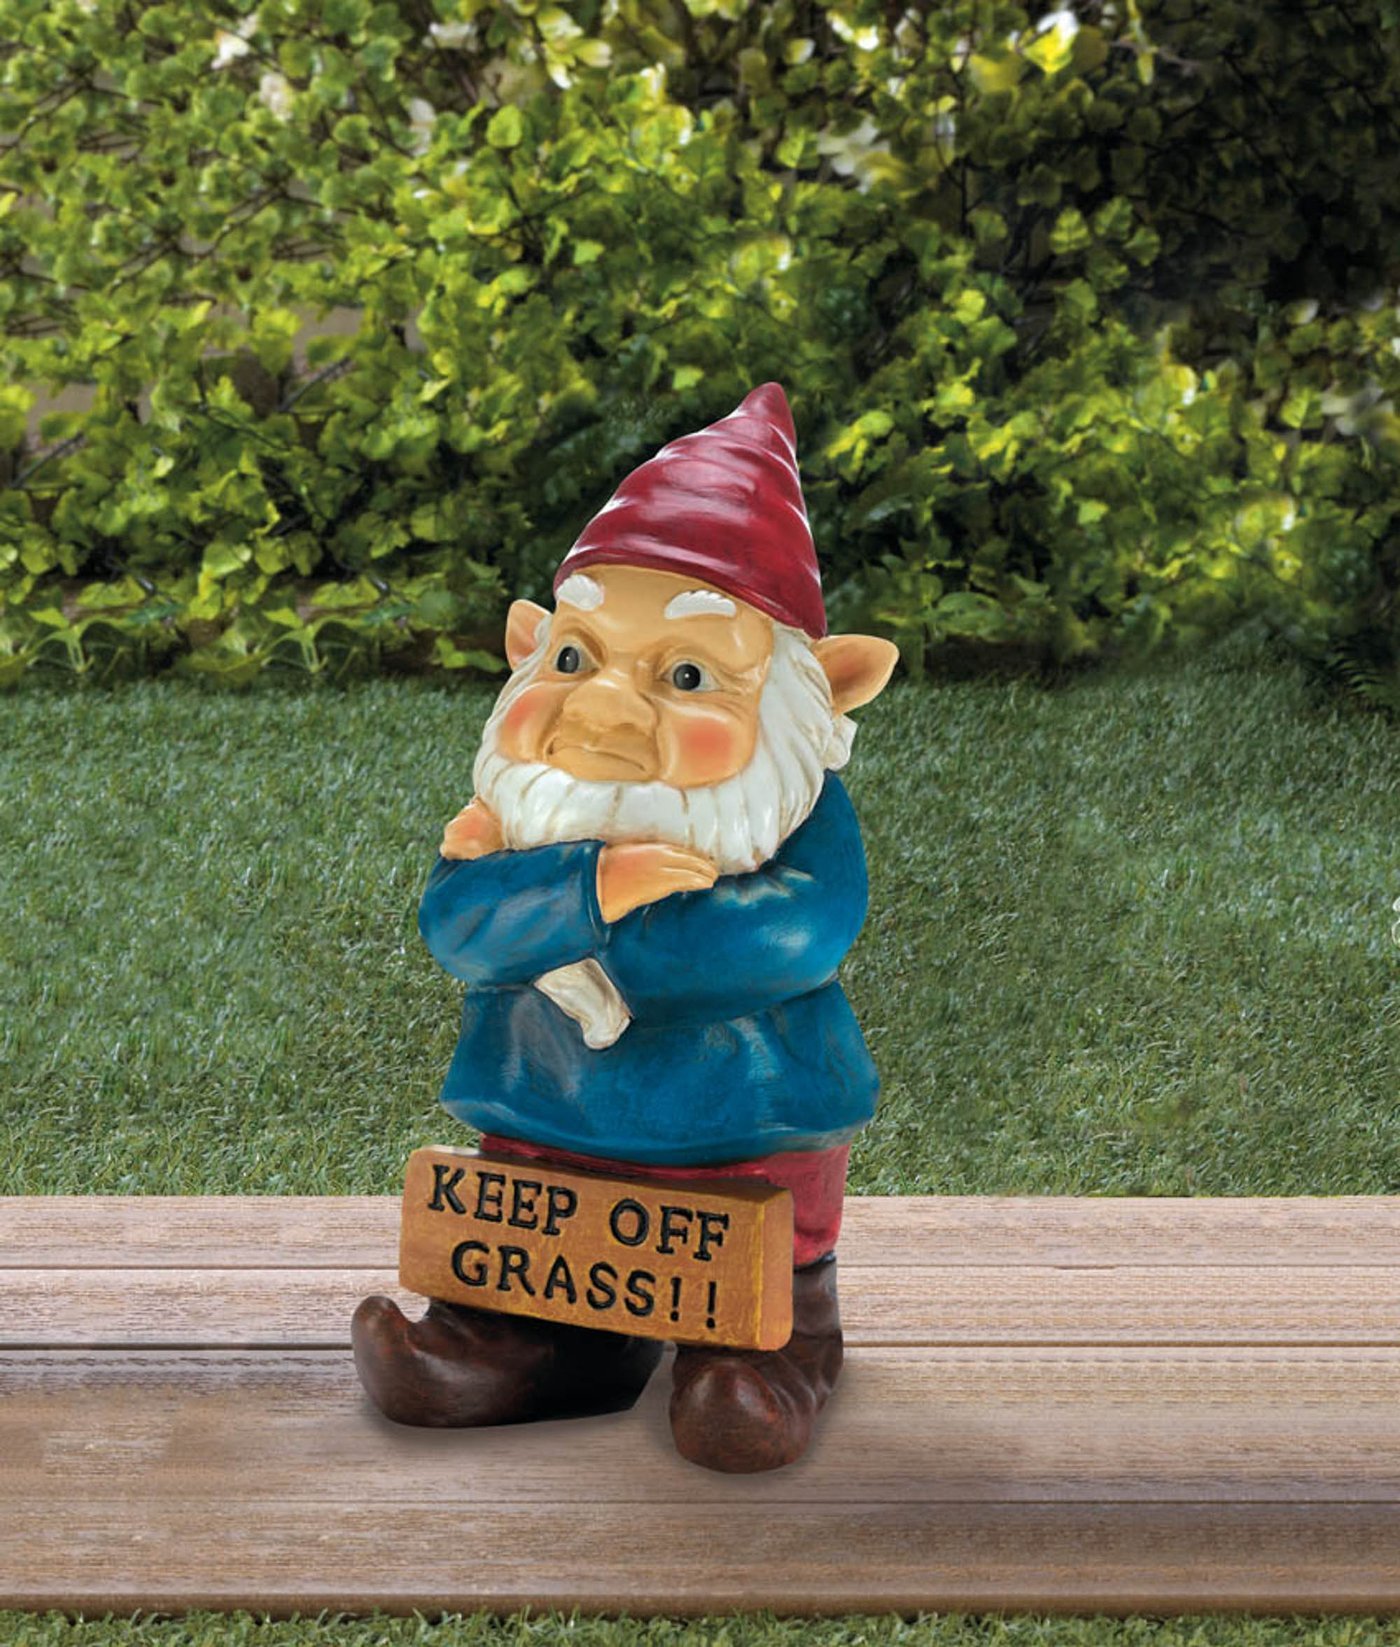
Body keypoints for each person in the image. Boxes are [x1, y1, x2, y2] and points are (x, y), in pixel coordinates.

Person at [352, 382, 897, 1472]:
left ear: (824, 695)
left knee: (756, 1274)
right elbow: (455, 929)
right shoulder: (520, 817)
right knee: (532, 1235)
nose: (603, 706)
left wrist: (575, 931)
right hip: (538, 1105)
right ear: (527, 645)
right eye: (572, 657)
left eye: (687, 676)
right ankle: (515, 1340)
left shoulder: (792, 808)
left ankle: (767, 1354)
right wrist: (591, 890)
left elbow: (794, 935)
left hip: (743, 1122)